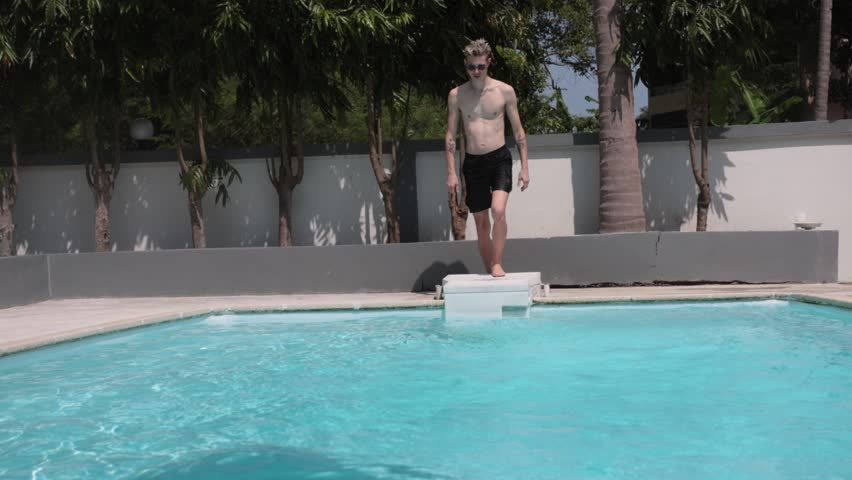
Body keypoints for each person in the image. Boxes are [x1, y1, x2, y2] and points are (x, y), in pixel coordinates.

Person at [445, 38, 529, 278]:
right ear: (466, 65)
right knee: (481, 224)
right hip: (473, 163)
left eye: (480, 66)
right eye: (471, 67)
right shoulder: (457, 95)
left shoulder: (504, 91)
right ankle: (489, 269)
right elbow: (450, 136)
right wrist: (451, 172)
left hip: (499, 158)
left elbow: (519, 131)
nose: (476, 71)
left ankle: (497, 263)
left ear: (489, 62)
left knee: (498, 210)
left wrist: (525, 167)